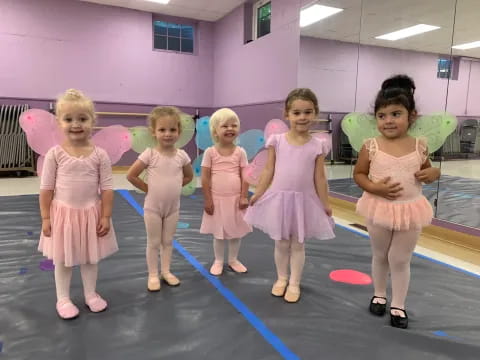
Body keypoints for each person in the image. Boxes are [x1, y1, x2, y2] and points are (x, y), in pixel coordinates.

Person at [353, 75, 440, 329]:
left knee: (400, 259)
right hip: (379, 208)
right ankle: (379, 293)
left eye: (395, 114)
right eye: (382, 116)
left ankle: (398, 304)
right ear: (376, 119)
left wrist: (434, 173)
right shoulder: (371, 146)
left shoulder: (419, 146)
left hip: (410, 210)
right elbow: (359, 174)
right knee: (380, 254)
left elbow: (427, 170)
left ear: (411, 116)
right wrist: (374, 188)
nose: (388, 121)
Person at [245, 88, 334, 303]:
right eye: (296, 113)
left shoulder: (318, 145)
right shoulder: (277, 140)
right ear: (287, 114)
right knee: (281, 243)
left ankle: (294, 282)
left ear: (315, 114)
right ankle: (281, 278)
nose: (302, 117)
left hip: (304, 201)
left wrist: (325, 203)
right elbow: (269, 170)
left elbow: (319, 178)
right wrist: (258, 194)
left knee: (298, 244)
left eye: (307, 112)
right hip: (279, 199)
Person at [39, 89, 118, 319]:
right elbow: (46, 189)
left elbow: (107, 188)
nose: (76, 124)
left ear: (92, 121)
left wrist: (105, 216)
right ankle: (62, 298)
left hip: (90, 214)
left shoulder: (100, 155)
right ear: (59, 122)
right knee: (63, 259)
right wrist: (45, 217)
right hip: (62, 215)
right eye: (69, 119)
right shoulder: (55, 154)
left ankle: (90, 294)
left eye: (82, 119)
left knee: (89, 257)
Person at [127, 106, 193, 291]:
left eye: (172, 130)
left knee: (168, 241)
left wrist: (173, 186)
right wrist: (150, 189)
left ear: (179, 131)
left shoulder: (182, 155)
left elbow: (188, 177)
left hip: (173, 207)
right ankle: (153, 274)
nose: (168, 134)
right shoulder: (150, 154)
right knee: (154, 242)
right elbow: (131, 175)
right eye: (162, 130)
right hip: (153, 207)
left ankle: (166, 271)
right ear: (153, 132)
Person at [200, 108, 252, 276]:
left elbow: (245, 176)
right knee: (219, 232)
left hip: (236, 199)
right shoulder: (210, 152)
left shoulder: (240, 152)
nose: (230, 129)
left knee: (236, 231)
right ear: (215, 131)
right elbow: (205, 178)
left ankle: (233, 259)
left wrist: (244, 196)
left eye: (234, 125)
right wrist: (208, 199)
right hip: (217, 199)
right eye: (225, 126)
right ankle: (218, 260)